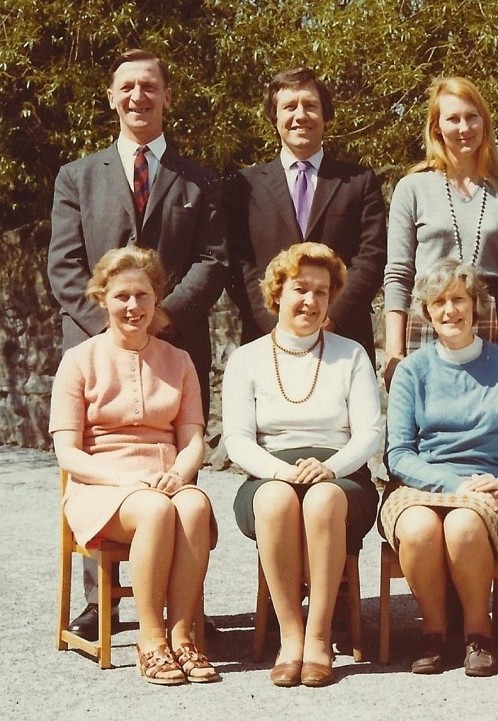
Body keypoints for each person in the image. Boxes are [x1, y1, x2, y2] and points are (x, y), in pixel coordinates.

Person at [48, 48, 226, 643]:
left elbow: (213, 259)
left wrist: (160, 319)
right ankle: (100, 599)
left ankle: (184, 612)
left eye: (149, 86)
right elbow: (65, 264)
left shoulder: (201, 179)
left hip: (172, 344)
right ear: (111, 97)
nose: (138, 98)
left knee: (178, 468)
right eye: (127, 87)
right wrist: (115, 327)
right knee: (105, 453)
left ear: (167, 96)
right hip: (100, 341)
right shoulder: (77, 176)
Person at [50, 246, 218, 685]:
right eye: (121, 296)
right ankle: (151, 639)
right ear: (102, 298)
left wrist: (179, 475)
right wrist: (124, 479)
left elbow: (193, 439)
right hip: (101, 484)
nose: (133, 306)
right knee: (155, 510)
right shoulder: (78, 360)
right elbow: (67, 452)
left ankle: (183, 636)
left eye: (142, 295)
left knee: (195, 505)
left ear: (156, 298)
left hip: (165, 478)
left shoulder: (178, 361)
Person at [222, 242, 382, 688]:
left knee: (323, 499)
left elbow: (370, 432)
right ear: (278, 293)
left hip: (342, 479)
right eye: (300, 289)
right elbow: (236, 438)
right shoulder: (247, 358)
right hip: (270, 474)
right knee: (274, 500)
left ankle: (318, 637)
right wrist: (277, 471)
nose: (310, 301)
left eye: (321, 292)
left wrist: (331, 468)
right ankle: (289, 637)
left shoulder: (350, 354)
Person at [379, 258, 498, 677]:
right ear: (427, 312)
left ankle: (476, 634)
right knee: (418, 529)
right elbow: (399, 454)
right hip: (421, 479)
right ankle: (432, 633)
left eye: (459, 300)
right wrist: (451, 483)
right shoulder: (412, 370)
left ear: (475, 306)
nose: (450, 311)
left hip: (485, 485)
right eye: (439, 302)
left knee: (463, 527)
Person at [226, 66, 386, 359]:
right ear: (274, 118)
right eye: (289, 107)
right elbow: (239, 263)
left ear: (326, 116)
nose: (300, 115)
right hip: (267, 340)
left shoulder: (358, 182)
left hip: (342, 339)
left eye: (310, 106)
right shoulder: (242, 186)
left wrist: (330, 317)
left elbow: (372, 257)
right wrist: (278, 322)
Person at [384, 76, 498, 379]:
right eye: (453, 119)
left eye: (472, 117)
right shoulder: (412, 188)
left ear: (484, 122)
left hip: (495, 318)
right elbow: (398, 274)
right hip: (432, 316)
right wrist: (394, 351)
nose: (464, 128)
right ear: (436, 127)